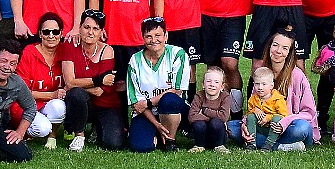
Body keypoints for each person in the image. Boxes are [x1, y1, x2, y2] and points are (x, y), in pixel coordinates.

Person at [229, 27, 317, 149]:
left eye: (285, 48)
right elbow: (253, 106)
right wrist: (245, 124)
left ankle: (265, 143)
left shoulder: (297, 75)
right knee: (231, 127)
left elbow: (309, 113)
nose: (278, 51)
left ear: (290, 53)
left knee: (302, 128)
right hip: (265, 125)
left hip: (289, 126)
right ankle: (283, 146)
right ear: (269, 46)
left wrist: (284, 122)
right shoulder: (261, 73)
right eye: (275, 45)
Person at [58, 9, 124, 152]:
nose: (90, 32)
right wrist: (98, 79)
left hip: (107, 104)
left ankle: (97, 127)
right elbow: (69, 81)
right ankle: (79, 136)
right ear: (79, 28)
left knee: (113, 144)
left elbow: (100, 91)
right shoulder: (69, 46)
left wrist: (78, 84)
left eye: (96, 28)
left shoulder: (108, 50)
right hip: (82, 102)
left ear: (101, 32)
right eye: (86, 27)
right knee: (76, 94)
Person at [127, 16, 190, 153]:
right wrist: (157, 124)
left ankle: (169, 141)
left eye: (158, 35)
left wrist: (149, 102)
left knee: (168, 100)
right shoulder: (135, 60)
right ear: (143, 38)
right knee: (141, 147)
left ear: (166, 36)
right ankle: (157, 131)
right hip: (146, 113)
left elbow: (177, 91)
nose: (153, 40)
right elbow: (137, 104)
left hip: (175, 107)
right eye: (148, 36)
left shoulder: (178, 54)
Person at [17, 13, 67, 149]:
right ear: (40, 34)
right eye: (46, 32)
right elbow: (22, 92)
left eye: (55, 32)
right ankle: (26, 132)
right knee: (42, 128)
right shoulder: (28, 53)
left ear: (61, 34)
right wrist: (52, 95)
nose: (51, 36)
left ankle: (53, 137)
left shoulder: (65, 53)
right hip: (26, 105)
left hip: (49, 105)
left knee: (59, 106)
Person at [243, 66, 290, 151]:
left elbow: (284, 115)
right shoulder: (253, 98)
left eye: (264, 84)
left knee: (277, 119)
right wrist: (254, 110)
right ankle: (251, 143)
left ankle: (269, 144)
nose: (260, 87)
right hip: (260, 127)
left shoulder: (278, 99)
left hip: (274, 129)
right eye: (257, 84)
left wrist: (268, 117)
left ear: (271, 86)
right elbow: (248, 113)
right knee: (250, 117)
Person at [187, 66, 230, 153]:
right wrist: (211, 117)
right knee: (199, 124)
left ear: (222, 86)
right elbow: (191, 117)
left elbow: (223, 117)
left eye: (216, 82)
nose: (212, 84)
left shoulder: (225, 96)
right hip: (202, 134)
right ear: (203, 84)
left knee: (216, 123)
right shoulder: (199, 96)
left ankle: (219, 146)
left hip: (219, 134)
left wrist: (204, 111)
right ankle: (199, 145)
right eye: (208, 81)